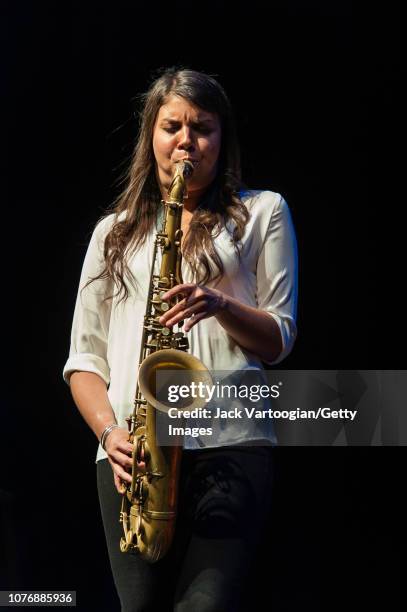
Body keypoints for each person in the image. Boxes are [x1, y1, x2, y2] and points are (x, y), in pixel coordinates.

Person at [63, 67, 298, 612]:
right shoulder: (112, 233)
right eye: (173, 126)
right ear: (152, 134)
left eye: (203, 127)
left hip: (232, 443)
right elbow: (84, 358)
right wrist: (108, 434)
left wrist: (221, 303)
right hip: (136, 457)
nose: (187, 140)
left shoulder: (264, 211)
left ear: (223, 138)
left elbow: (279, 338)